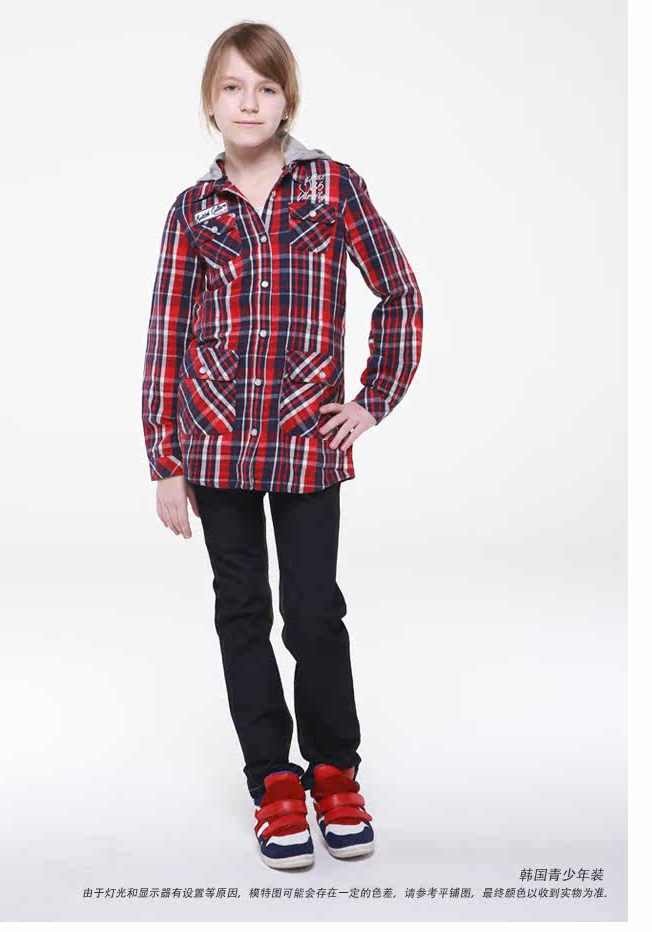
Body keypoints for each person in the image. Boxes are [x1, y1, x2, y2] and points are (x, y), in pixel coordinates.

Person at [141, 21, 423, 869]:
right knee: (241, 611)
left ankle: (335, 771)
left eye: (265, 88)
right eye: (233, 87)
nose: (249, 103)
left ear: (287, 101)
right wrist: (164, 459)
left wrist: (371, 401)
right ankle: (272, 779)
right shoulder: (193, 210)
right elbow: (165, 334)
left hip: (307, 444)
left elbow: (399, 293)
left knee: (313, 611)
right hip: (216, 446)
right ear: (210, 101)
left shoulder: (333, 187)